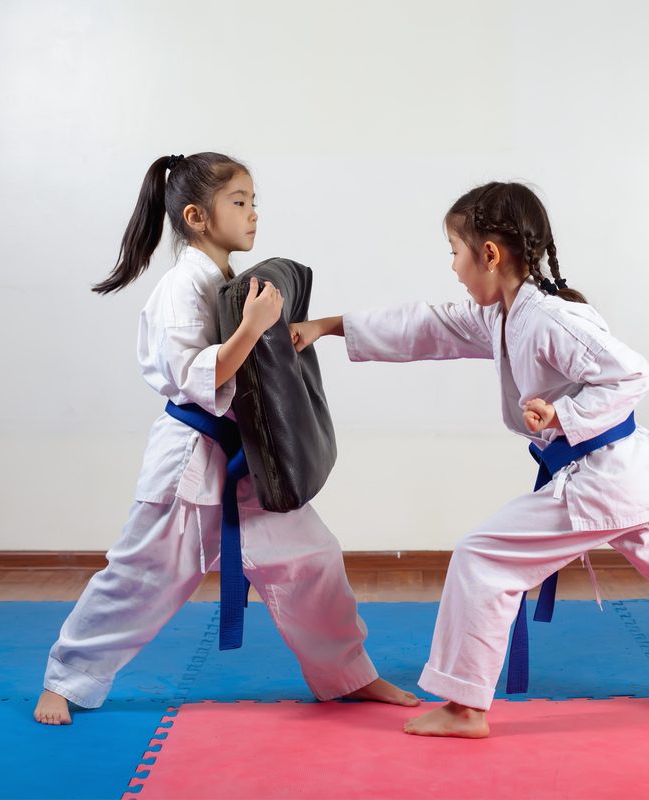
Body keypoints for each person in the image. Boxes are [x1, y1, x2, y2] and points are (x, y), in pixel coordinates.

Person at [290, 181, 649, 738]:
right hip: (633, 476)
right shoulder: (503, 315)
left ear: (489, 254)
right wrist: (327, 327)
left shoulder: (549, 318)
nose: (454, 268)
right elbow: (429, 325)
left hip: (601, 478)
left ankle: (464, 708)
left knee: (482, 559)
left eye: (455, 252)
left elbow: (631, 374)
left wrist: (563, 416)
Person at [34, 152, 418, 725]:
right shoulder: (179, 287)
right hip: (189, 466)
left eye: (254, 201)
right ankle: (65, 679)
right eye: (239, 202)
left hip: (248, 460)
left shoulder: (230, 284)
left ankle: (348, 675)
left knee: (313, 559)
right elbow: (199, 376)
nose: (253, 213)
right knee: (141, 578)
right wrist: (253, 328)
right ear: (196, 216)